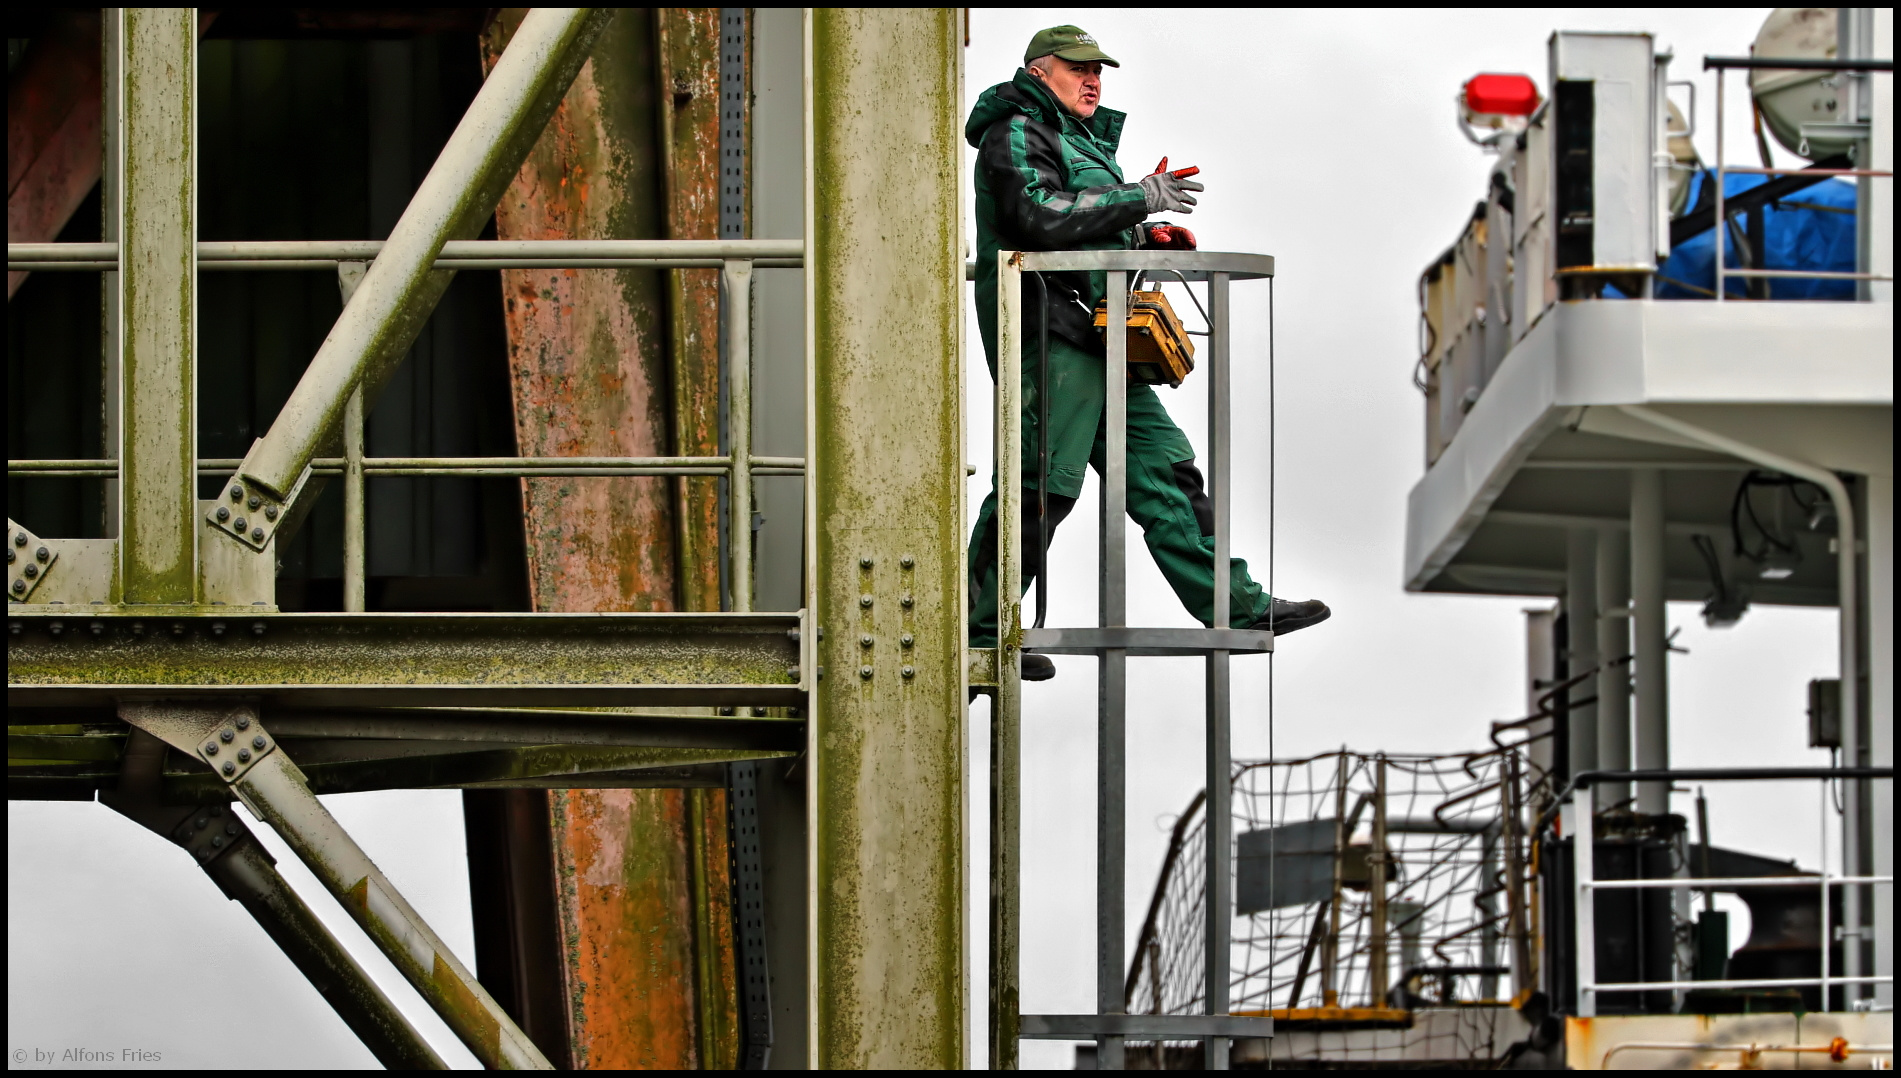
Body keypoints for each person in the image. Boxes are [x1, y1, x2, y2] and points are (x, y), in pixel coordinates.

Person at [966, 25, 1330, 681]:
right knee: (1040, 482)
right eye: (1078, 70)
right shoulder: (1017, 130)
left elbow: (1079, 216)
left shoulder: (1074, 140)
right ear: (1040, 71)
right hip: (1048, 329)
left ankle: (1235, 605)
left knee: (1164, 471)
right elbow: (1039, 216)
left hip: (1092, 333)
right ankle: (980, 628)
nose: (1093, 80)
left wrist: (1145, 230)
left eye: (1098, 71)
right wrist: (1137, 197)